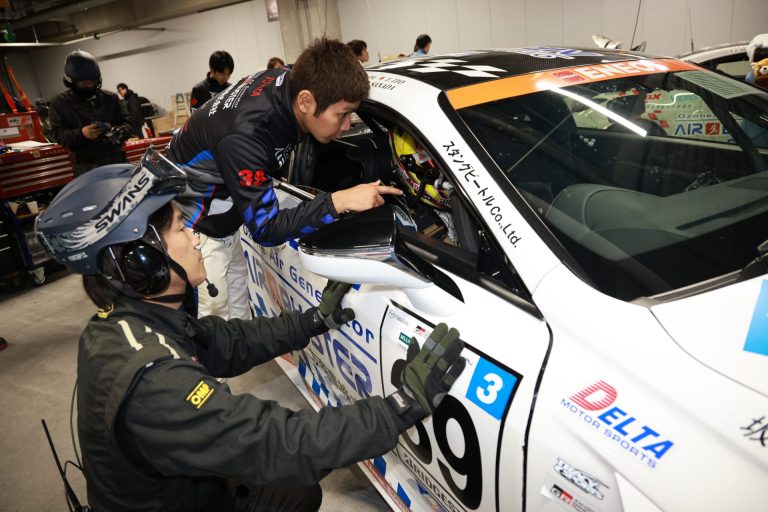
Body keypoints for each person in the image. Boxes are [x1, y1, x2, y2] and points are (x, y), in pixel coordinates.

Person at [34, 157, 466, 512]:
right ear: (141, 263)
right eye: (181, 229)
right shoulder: (155, 384)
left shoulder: (124, 322)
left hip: (180, 491)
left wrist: (313, 321)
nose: (196, 239)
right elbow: (279, 443)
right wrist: (400, 407)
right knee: (287, 477)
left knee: (295, 493)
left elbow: (226, 341)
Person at [166, 38, 402, 320]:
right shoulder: (245, 135)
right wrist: (337, 201)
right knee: (213, 326)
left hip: (221, 215)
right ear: (305, 101)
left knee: (238, 319)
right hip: (195, 232)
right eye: (342, 114)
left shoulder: (291, 80)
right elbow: (266, 229)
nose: (347, 125)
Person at [48, 50, 133, 176]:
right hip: (87, 167)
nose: (88, 85)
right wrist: (82, 134)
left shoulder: (110, 98)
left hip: (117, 161)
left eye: (91, 82)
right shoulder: (59, 103)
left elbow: (128, 123)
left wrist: (120, 131)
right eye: (82, 83)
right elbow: (58, 135)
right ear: (71, 81)